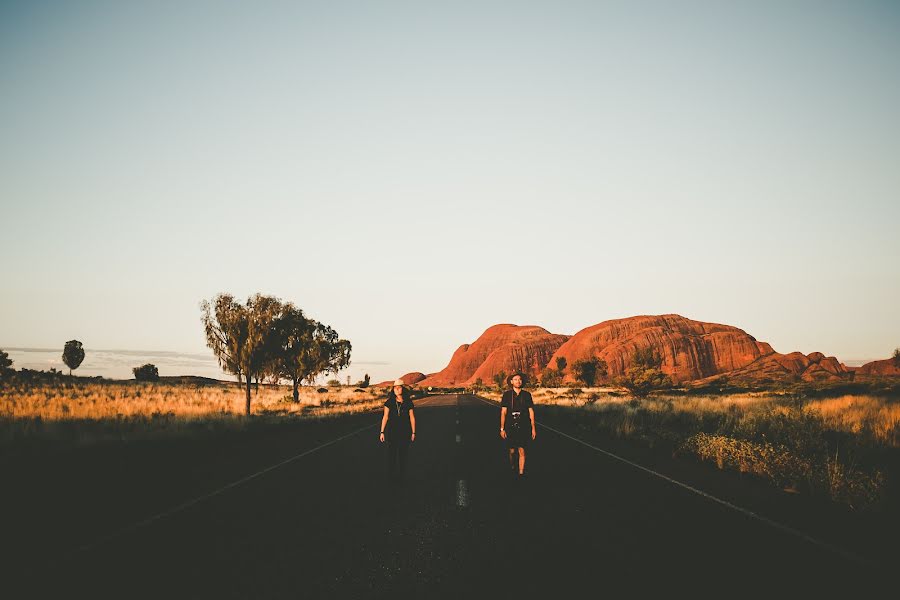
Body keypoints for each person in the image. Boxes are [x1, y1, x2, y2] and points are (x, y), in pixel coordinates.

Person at [379, 378, 416, 483]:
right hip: (392, 432)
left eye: (399, 388)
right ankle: (391, 477)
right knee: (392, 455)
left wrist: (413, 432)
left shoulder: (408, 402)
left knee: (403, 455)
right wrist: (382, 432)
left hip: (405, 432)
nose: (397, 389)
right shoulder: (389, 402)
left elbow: (412, 417)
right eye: (395, 388)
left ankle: (402, 477)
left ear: (403, 389)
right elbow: (385, 417)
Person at [500, 372, 536, 478]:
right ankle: (512, 466)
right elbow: (503, 412)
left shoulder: (527, 395)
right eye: (515, 379)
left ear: (522, 381)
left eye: (519, 379)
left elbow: (531, 412)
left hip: (523, 426)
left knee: (522, 450)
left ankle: (521, 474)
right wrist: (502, 428)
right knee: (511, 451)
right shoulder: (507, 395)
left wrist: (533, 428)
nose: (518, 381)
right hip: (510, 426)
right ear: (511, 382)